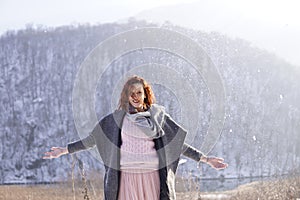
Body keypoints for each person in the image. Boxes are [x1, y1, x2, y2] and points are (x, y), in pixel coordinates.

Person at [43, 75, 228, 200]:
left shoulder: (158, 117)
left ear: (145, 94)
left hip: (153, 179)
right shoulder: (115, 120)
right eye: (131, 93)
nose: (136, 96)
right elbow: (92, 140)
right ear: (126, 96)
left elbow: (177, 145)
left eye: (139, 92)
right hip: (125, 180)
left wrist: (205, 158)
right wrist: (65, 150)